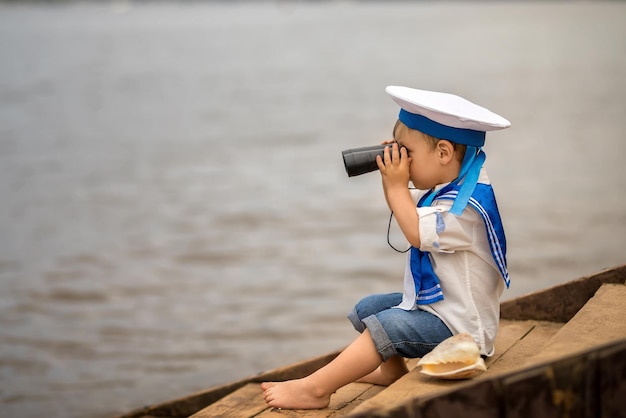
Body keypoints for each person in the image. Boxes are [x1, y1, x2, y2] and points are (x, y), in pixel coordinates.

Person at [261, 85, 511, 410]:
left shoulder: (466, 210)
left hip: (461, 332)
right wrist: (392, 180)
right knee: (370, 308)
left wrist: (395, 185)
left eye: (408, 152)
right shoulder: (458, 182)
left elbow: (418, 233)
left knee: (389, 325)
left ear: (444, 153)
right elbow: (412, 216)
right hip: (442, 310)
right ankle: (391, 371)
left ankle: (315, 390)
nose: (402, 160)